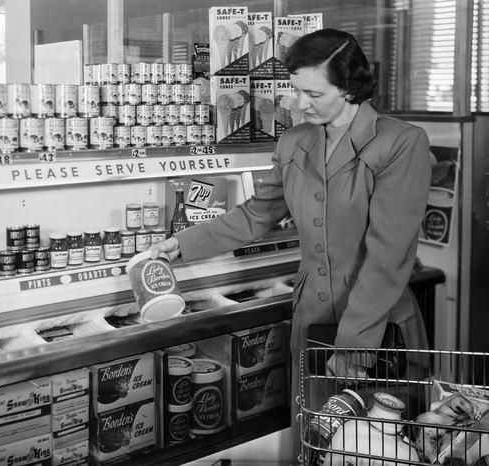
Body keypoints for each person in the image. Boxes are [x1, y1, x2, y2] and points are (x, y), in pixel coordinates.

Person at [151, 28, 430, 386]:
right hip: (312, 318)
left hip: (376, 327)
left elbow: (387, 257)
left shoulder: (400, 143)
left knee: (380, 437)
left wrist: (353, 348)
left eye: (313, 93)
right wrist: (184, 244)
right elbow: (258, 214)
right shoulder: (294, 141)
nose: (300, 104)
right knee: (315, 433)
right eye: (297, 91)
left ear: (349, 88)